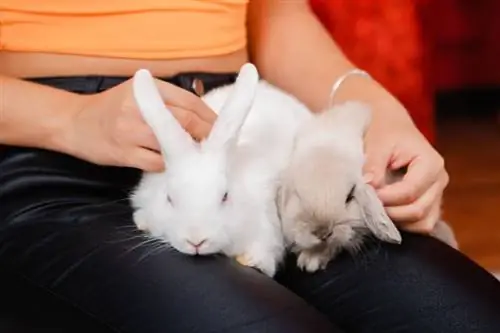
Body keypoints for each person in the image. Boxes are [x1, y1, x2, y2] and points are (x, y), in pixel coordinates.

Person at [0, 1, 499, 332]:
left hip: (247, 140)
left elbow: (275, 16)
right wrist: (69, 119)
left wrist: (375, 109)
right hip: (54, 155)